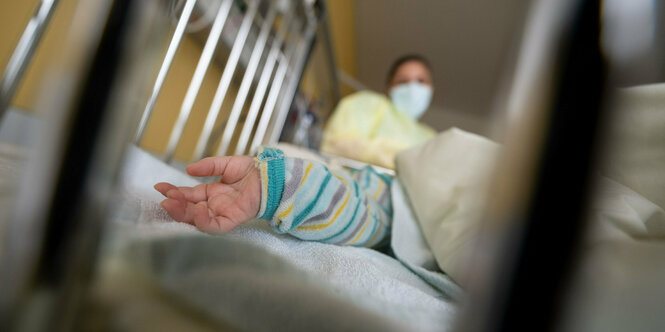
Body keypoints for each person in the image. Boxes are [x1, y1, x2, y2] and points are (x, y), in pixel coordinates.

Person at [155, 147, 392, 248]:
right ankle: (280, 182)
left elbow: (369, 223)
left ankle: (283, 183)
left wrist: (277, 185)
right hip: (363, 178)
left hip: (390, 199)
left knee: (364, 219)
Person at [320, 54, 437, 169]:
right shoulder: (368, 104)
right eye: (403, 82)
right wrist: (399, 157)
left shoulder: (432, 137)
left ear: (431, 88)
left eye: (421, 81)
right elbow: (335, 145)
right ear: (389, 89)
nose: (412, 88)